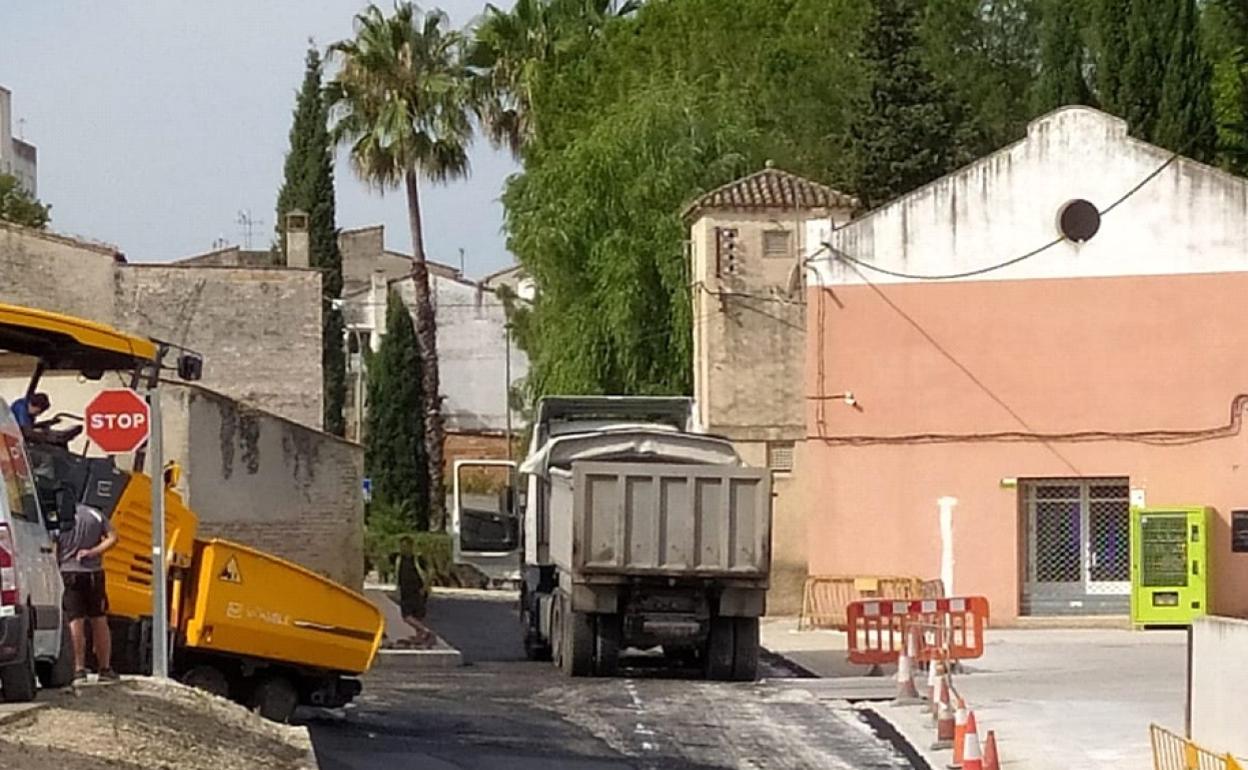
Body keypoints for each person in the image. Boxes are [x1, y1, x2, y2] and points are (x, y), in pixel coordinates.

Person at [58, 502, 119, 681]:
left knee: (75, 621)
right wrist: (93, 552)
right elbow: (113, 538)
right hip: (94, 574)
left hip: (68, 573)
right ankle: (105, 669)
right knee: (99, 619)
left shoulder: (60, 516)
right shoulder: (95, 514)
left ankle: (78, 669)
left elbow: (54, 547)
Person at [395, 536, 427, 621]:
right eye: (401, 546)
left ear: (410, 546)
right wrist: (397, 589)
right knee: (406, 615)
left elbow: (430, 572)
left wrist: (425, 588)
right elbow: (398, 574)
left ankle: (420, 632)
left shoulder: (417, 559)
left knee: (418, 615)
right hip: (405, 591)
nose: (402, 549)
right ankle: (423, 630)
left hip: (417, 590)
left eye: (404, 546)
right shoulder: (399, 559)